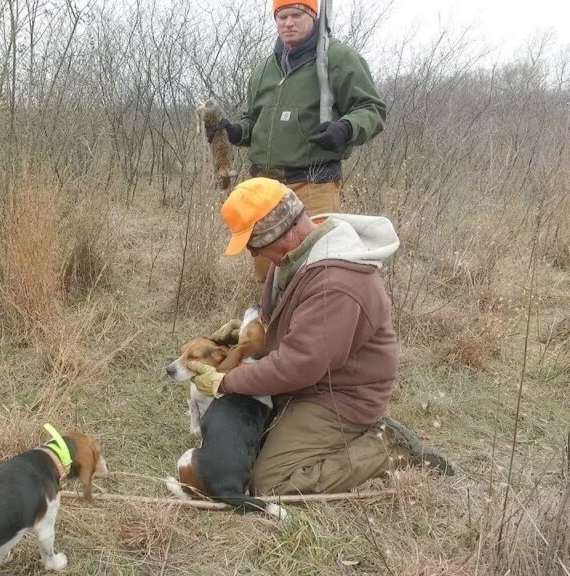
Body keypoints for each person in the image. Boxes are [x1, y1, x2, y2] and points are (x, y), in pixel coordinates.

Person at [187, 177, 455, 495]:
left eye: (252, 244)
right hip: (308, 385)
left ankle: (387, 445)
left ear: (275, 233)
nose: (250, 253)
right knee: (241, 449)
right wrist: (250, 329)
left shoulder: (336, 284)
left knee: (271, 483)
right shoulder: (297, 255)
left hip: (339, 396)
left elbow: (298, 365)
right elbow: (292, 327)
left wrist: (225, 381)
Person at [206, 0, 386, 282]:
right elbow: (253, 119)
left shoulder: (338, 58)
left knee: (317, 271)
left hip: (313, 182)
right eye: (281, 16)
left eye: (296, 15)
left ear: (313, 16)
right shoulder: (265, 68)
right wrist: (234, 131)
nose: (288, 23)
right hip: (265, 188)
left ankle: (316, 325)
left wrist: (346, 128)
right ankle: (272, 324)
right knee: (269, 277)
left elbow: (372, 109)